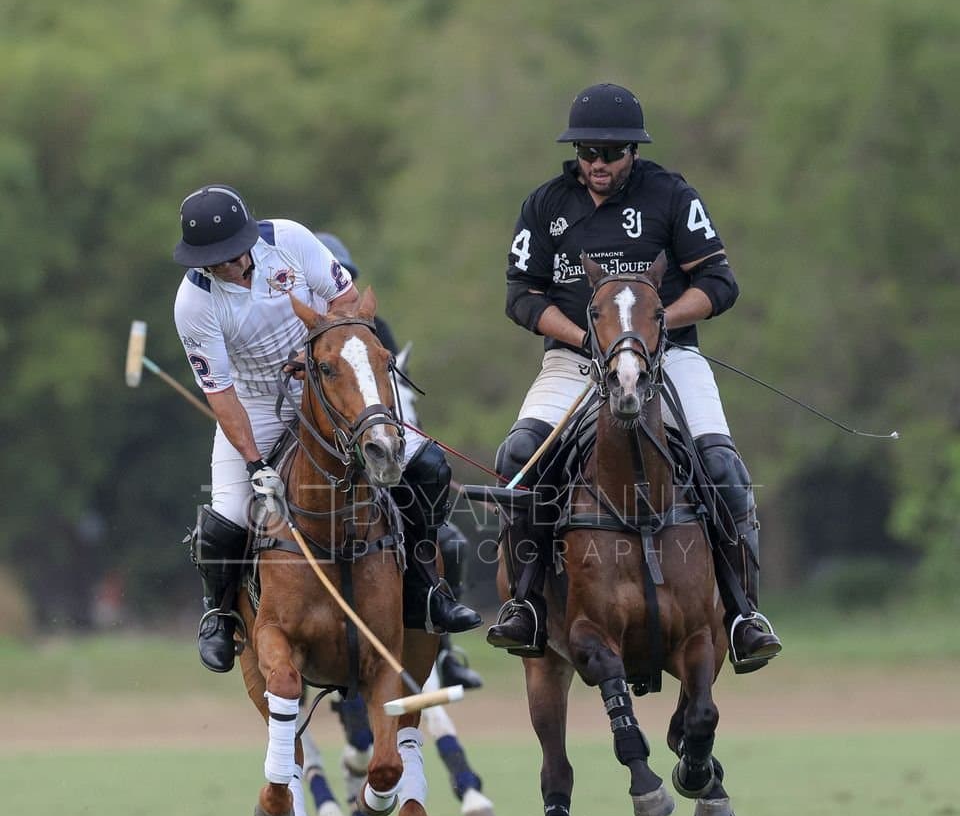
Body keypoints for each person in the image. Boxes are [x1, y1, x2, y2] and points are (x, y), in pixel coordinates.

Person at [485, 83, 782, 674]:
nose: (598, 163)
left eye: (612, 153)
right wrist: (593, 340)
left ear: (633, 153)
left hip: (666, 354)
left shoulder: (670, 195)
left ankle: (745, 613)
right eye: (588, 152)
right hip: (575, 358)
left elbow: (719, 282)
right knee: (519, 456)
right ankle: (527, 603)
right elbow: (522, 296)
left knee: (723, 468)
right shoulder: (545, 205)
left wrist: (648, 330)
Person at [172, 185, 480, 674]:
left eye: (231, 255)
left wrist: (317, 353)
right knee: (227, 514)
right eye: (213, 260)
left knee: (427, 468)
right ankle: (219, 614)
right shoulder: (194, 303)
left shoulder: (290, 240)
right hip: (256, 403)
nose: (227, 267)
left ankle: (426, 587)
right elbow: (222, 395)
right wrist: (254, 463)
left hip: (331, 383)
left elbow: (348, 300)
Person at [314, 232, 483, 692]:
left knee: (446, 540)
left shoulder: (374, 329)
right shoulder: (293, 328)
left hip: (373, 449)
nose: (338, 287)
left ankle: (439, 626)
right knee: (235, 517)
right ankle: (227, 615)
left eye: (345, 278)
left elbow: (388, 402)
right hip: (314, 455)